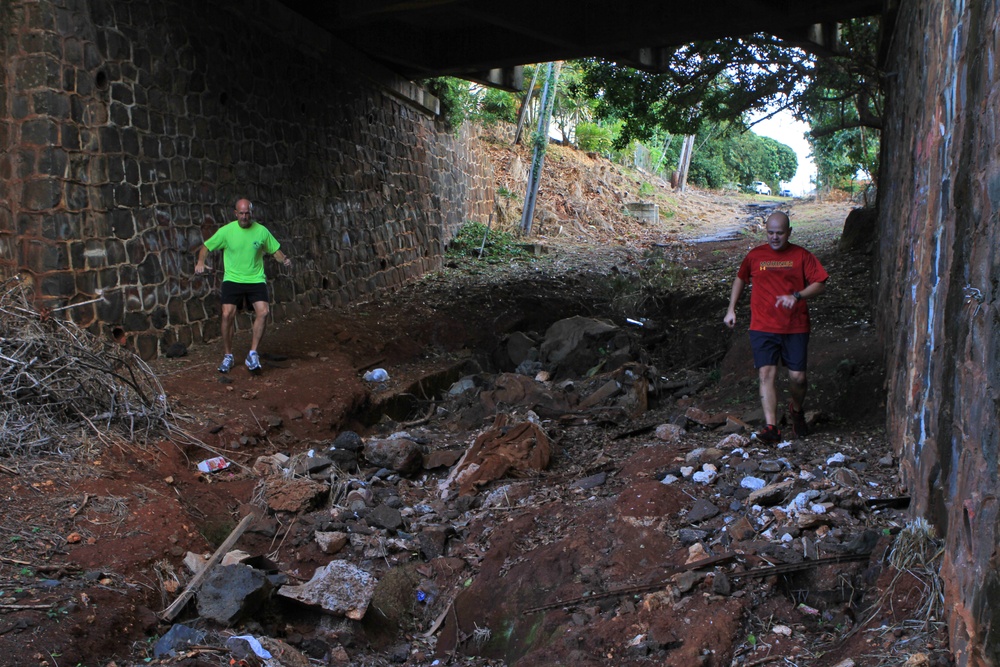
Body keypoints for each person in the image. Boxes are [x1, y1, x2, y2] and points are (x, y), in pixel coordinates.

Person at [723, 211, 828, 443]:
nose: (774, 237)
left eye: (779, 233)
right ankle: (772, 428)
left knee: (798, 377)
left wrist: (798, 296)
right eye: (770, 232)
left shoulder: (801, 255)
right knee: (766, 373)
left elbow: (820, 282)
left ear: (789, 232)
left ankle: (796, 410)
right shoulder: (755, 256)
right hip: (762, 325)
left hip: (795, 325)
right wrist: (731, 309)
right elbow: (740, 278)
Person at [195, 198, 291, 373]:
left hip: (255, 279)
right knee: (227, 315)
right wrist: (200, 262)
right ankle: (228, 355)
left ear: (251, 213)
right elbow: (206, 247)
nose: (244, 216)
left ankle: (252, 354)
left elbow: (274, 250)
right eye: (241, 213)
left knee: (263, 312)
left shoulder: (261, 231)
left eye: (247, 213)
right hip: (233, 279)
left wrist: (283, 259)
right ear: (235, 214)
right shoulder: (227, 232)